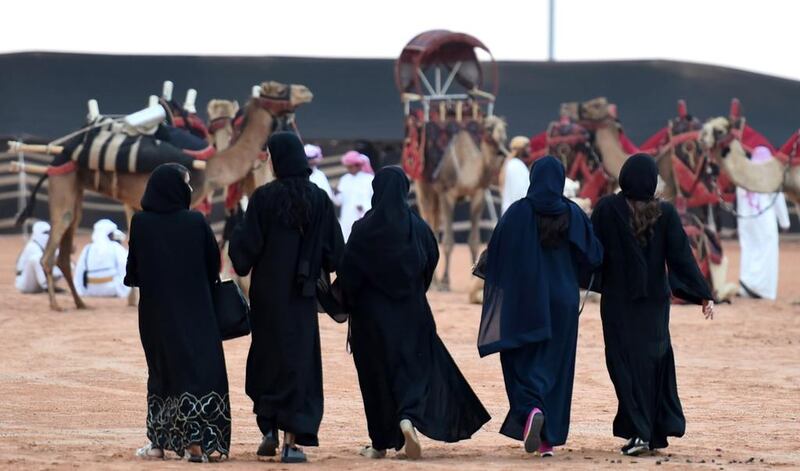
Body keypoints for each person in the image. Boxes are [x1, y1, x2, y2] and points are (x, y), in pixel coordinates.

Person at [338, 166, 490, 460]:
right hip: (412, 314)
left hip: (371, 321)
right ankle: (407, 416)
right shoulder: (418, 227)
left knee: (376, 378)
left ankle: (380, 443)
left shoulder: (362, 230)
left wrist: (350, 301)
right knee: (412, 369)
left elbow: (348, 274)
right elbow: (429, 264)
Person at [228, 132, 344, 464]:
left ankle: (268, 430)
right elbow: (335, 254)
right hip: (302, 300)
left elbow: (243, 256)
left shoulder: (263, 198)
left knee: (268, 358)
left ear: (277, 160)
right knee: (299, 363)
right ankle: (292, 443)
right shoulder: (319, 199)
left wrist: (238, 233)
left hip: (266, 298)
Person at [590, 153, 714, 456]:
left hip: (618, 304)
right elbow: (681, 258)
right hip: (655, 307)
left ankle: (641, 432)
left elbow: (589, 250)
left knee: (623, 366)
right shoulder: (667, 213)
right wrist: (703, 293)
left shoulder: (607, 208)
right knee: (653, 365)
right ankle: (650, 432)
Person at [479, 156, 603, 457]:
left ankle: (530, 408)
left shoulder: (517, 213)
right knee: (557, 368)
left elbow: (495, 255)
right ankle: (548, 439)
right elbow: (595, 256)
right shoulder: (573, 213)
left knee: (520, 358)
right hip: (562, 301)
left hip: (523, 299)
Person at [124, 163, 231, 462]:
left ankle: (159, 443)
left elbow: (134, 273)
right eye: (186, 183)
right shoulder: (196, 222)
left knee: (162, 373)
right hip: (198, 311)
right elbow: (214, 266)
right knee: (200, 371)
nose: (190, 189)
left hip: (156, 315)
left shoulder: (141, 223)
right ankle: (201, 442)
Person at [736, 146, 791, 300]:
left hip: (746, 222)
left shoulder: (743, 177)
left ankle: (746, 284)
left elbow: (740, 201)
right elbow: (778, 200)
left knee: (748, 250)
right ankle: (764, 290)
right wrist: (785, 222)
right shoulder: (770, 176)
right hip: (764, 221)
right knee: (767, 253)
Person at [74, 219, 131, 298]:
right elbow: (124, 265)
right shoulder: (115, 246)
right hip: (113, 289)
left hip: (91, 289)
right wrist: (125, 289)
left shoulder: (87, 248)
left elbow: (79, 272)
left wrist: (80, 290)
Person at [15, 221, 63, 293]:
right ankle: (47, 287)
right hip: (25, 284)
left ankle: (51, 286)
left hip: (39, 284)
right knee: (37, 259)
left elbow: (59, 257)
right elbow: (42, 262)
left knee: (67, 263)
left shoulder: (50, 246)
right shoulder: (32, 246)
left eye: (49, 233)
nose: (48, 235)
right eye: (45, 233)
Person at [335, 151, 374, 241]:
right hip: (347, 217)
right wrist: (336, 193)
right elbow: (338, 201)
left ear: (358, 165)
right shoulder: (344, 179)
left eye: (351, 166)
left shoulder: (369, 179)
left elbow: (374, 199)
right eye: (347, 167)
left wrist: (364, 208)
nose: (349, 169)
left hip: (365, 216)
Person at [500, 136, 531, 214]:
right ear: (521, 149)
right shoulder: (515, 165)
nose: (530, 149)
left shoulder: (515, 164)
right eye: (527, 147)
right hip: (517, 213)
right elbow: (519, 192)